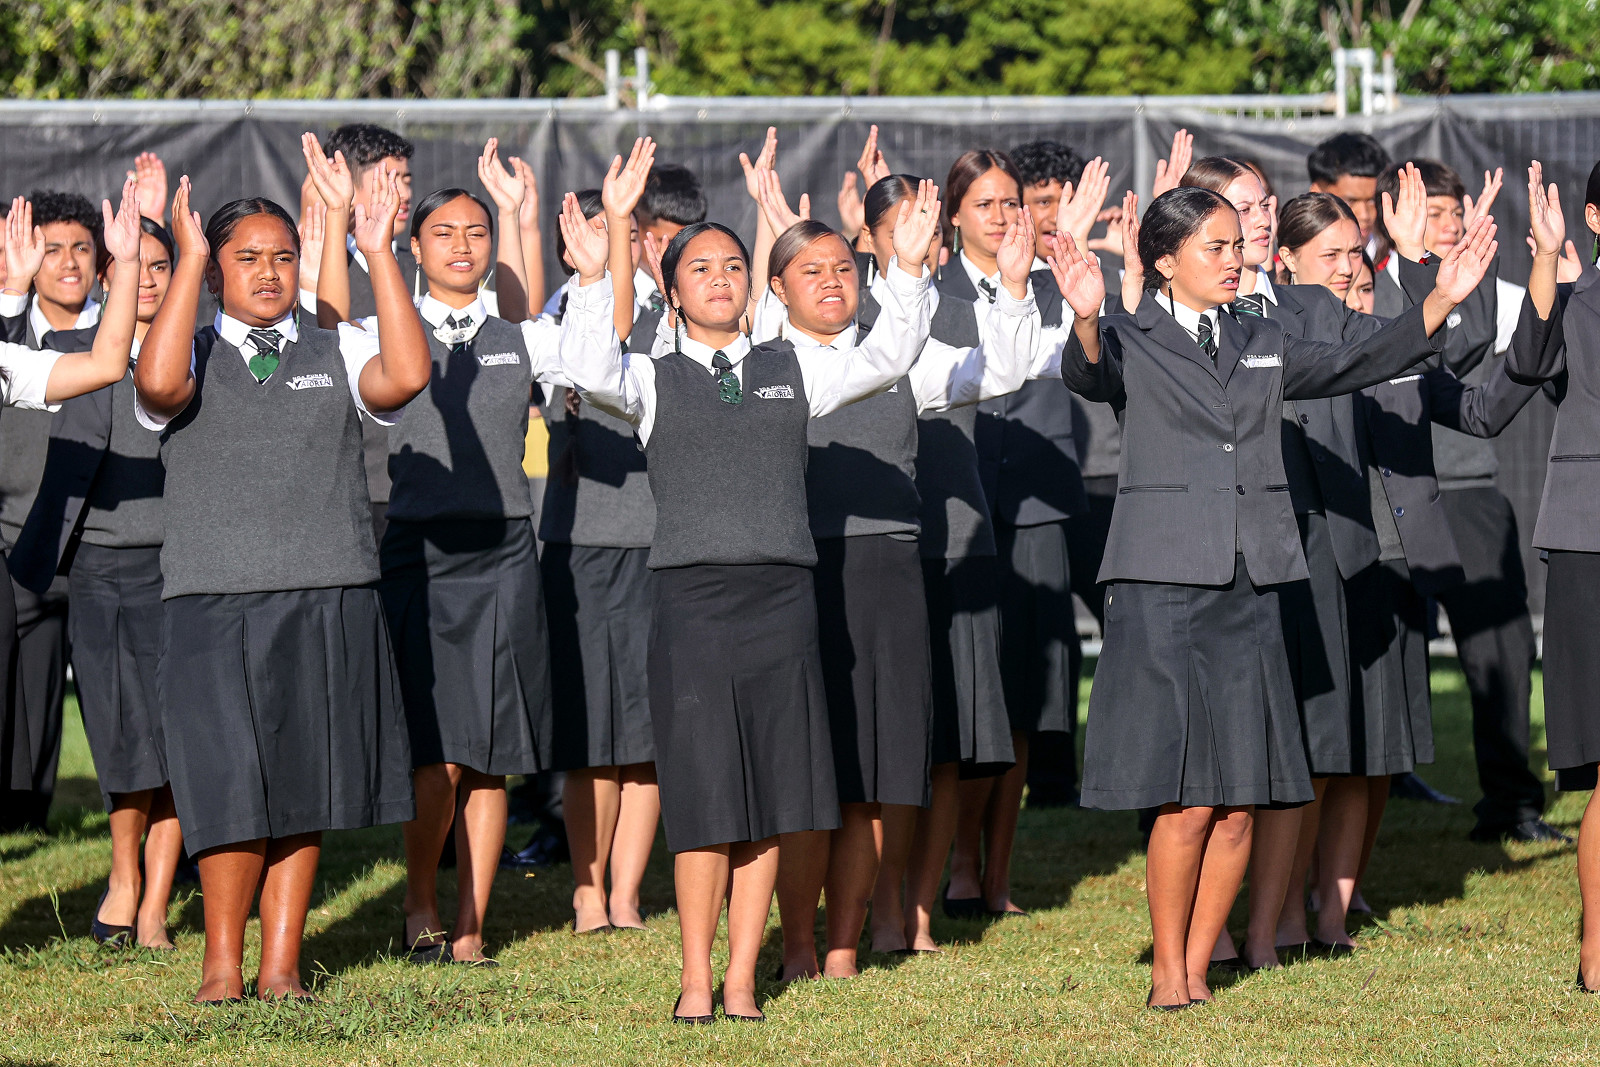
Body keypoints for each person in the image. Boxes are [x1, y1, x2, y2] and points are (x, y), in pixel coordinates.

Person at [1051, 184, 1499, 1009]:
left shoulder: (1263, 334)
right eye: (1215, 247)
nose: (1235, 259)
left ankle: (1198, 966)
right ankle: (1168, 972)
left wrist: (1438, 300)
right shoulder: (1129, 333)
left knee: (1240, 803)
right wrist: (1084, 316)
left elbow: (1358, 361)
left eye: (1238, 245)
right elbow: (1089, 372)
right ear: (1165, 261)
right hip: (1163, 583)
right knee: (1187, 802)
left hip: (1255, 580)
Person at [556, 176, 943, 1022]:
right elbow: (588, 367)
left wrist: (909, 271)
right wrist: (592, 276)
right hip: (692, 604)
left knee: (772, 797)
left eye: (733, 265)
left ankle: (740, 980)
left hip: (784, 602)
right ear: (672, 293)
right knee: (705, 799)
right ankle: (696, 980)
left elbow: (887, 357)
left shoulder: (791, 365)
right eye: (700, 268)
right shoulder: (651, 377)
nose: (720, 278)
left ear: (754, 287)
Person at [737, 161, 1042, 980]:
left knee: (878, 767)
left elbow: (996, 373)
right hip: (796, 571)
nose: (832, 283)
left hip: (888, 571)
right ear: (779, 290)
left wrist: (1015, 289)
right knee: (808, 769)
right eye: (812, 271)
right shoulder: (765, 360)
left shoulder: (899, 348)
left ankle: (847, 940)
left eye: (843, 268)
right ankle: (799, 941)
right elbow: (864, 352)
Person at [133, 172, 430, 1002]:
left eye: (284, 257)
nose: (268, 272)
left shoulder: (336, 346)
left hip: (328, 592)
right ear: (215, 268)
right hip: (210, 598)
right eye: (246, 257)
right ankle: (221, 964)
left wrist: (376, 252)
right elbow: (155, 388)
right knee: (226, 780)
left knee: (306, 779)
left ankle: (282, 964)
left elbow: (406, 376)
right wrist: (186, 259)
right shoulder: (188, 348)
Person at [306, 135, 566, 964]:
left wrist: (520, 215)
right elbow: (327, 327)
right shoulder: (388, 329)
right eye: (444, 232)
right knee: (438, 756)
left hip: (505, 559)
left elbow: (559, 316)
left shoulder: (521, 334)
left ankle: (472, 923)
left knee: (491, 757)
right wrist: (343, 223)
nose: (462, 245)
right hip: (419, 556)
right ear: (413, 246)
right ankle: (420, 899)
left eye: (476, 232)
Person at [8, 205, 184, 949]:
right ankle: (123, 876)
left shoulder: (204, 354)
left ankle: (156, 902)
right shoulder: (73, 350)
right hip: (99, 568)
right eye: (131, 265)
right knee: (117, 732)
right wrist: (15, 288)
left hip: (184, 570)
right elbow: (12, 360)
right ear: (107, 278)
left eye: (161, 266)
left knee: (177, 734)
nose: (147, 279)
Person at [1372, 159, 1561, 842]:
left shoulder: (1491, 289)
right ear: (1394, 217)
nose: (1450, 224)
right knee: (1379, 655)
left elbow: (1475, 352)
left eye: (1457, 212)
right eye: (1434, 213)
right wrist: (1431, 269)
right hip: (1383, 497)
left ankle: (1512, 803)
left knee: (1501, 649)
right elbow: (1430, 347)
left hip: (1467, 493)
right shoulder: (1363, 285)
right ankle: (1366, 795)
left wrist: (1477, 269)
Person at [542, 148, 666, 936]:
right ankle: (587, 891)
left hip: (657, 542)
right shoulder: (561, 317)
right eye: (592, 228)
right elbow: (601, 339)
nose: (613, 239)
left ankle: (627, 892)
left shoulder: (672, 313)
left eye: (624, 228)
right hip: (580, 542)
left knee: (646, 733)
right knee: (592, 731)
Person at [1499, 160, 1600, 994]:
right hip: (1589, 544)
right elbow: (1528, 363)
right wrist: (1544, 259)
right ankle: (1596, 949)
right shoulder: (1571, 303)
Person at [0, 188, 108, 834]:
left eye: (82, 248)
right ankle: (21, 820)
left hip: (106, 551)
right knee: (24, 699)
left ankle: (152, 827)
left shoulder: (121, 330)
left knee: (122, 702)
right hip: (20, 549)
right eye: (53, 249)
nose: (69, 261)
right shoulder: (9, 330)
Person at [306, 123, 418, 545]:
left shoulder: (428, 265)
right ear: (344, 183)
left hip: (429, 487)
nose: (402, 193)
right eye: (388, 179)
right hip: (360, 490)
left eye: (406, 179)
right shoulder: (312, 268)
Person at [1307, 132, 1392, 252]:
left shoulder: (1400, 257)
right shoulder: (1290, 260)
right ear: (1317, 193)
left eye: (1372, 201)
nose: (1364, 215)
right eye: (1350, 201)